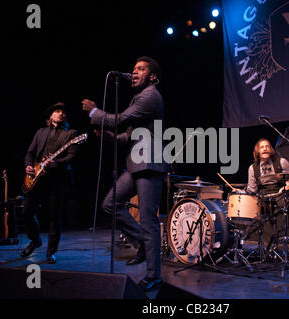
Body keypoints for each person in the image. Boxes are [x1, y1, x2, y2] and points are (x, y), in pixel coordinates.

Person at [82, 56, 168, 292]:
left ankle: (154, 276)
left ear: (152, 77)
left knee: (149, 221)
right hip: (136, 163)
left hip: (150, 164)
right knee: (110, 204)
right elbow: (125, 136)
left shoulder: (149, 96)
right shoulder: (138, 98)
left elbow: (119, 119)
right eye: (133, 69)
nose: (134, 72)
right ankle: (141, 242)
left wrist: (95, 112)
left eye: (140, 69)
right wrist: (109, 137)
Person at [20, 102, 79, 264]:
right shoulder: (40, 132)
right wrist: (28, 166)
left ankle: (50, 253)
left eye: (63, 112)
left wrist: (57, 163)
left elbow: (72, 156)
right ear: (51, 116)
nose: (61, 114)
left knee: (55, 217)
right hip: (37, 178)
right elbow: (30, 153)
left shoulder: (71, 134)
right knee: (26, 212)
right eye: (57, 111)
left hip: (57, 180)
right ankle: (35, 239)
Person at [246, 138, 289, 241]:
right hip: (263, 195)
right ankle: (262, 240)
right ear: (257, 151)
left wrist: (287, 186)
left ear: (271, 149)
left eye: (267, 146)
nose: (265, 149)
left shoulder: (281, 162)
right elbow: (252, 189)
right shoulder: (252, 168)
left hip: (280, 192)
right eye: (262, 147)